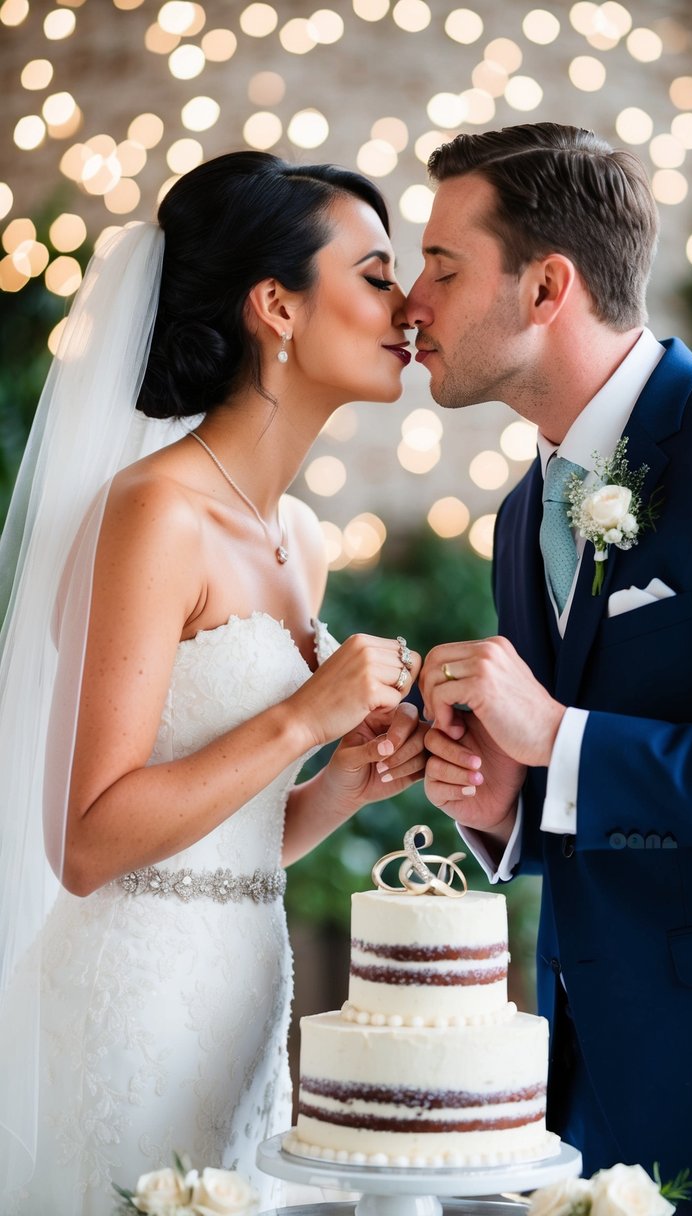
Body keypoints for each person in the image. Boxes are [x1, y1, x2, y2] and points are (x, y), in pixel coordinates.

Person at [411, 122, 692, 1214]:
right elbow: (615, 807)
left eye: (442, 267)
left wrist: (555, 739)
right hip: (582, 1101)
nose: (413, 300)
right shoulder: (514, 519)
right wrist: (508, 801)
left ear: (546, 284)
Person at [0, 151, 425, 1215]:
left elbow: (220, 841)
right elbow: (91, 842)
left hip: (246, 993)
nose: (406, 306)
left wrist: (341, 786)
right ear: (276, 305)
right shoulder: (157, 512)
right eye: (375, 275)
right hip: (134, 1007)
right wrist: (304, 716)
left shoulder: (300, 539)